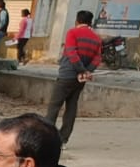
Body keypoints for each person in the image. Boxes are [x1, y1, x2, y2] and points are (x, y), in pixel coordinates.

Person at [44, 10, 103, 146]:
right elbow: (97, 58)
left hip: (67, 75)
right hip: (80, 79)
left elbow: (71, 52)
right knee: (71, 107)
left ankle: (47, 138)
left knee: (54, 106)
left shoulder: (72, 32)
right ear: (90, 22)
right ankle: (63, 139)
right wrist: (87, 71)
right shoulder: (96, 38)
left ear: (77, 21)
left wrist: (81, 69)